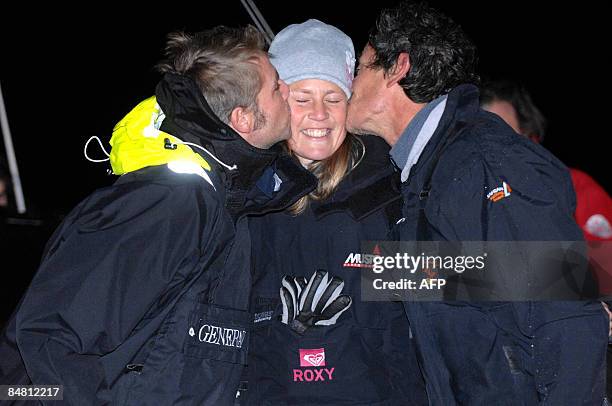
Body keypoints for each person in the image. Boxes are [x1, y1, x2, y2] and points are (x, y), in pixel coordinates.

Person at [10, 25, 315, 405]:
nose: (289, 91)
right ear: (244, 119)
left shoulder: (225, 203)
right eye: (275, 87)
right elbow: (48, 338)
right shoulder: (170, 203)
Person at [347, 1, 608, 405]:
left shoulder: (482, 160)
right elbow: (469, 279)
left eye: (360, 67)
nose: (350, 81)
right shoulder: (426, 171)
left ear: (397, 67)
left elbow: (567, 314)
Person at [245, 19, 426, 405]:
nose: (319, 113)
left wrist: (577, 272)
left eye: (333, 97)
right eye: (302, 97)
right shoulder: (245, 196)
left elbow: (455, 283)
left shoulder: (390, 189)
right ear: (277, 101)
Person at [480, 79, 612, 243]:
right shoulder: (467, 202)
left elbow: (604, 262)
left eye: (503, 132)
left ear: (527, 132)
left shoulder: (576, 188)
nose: (493, 144)